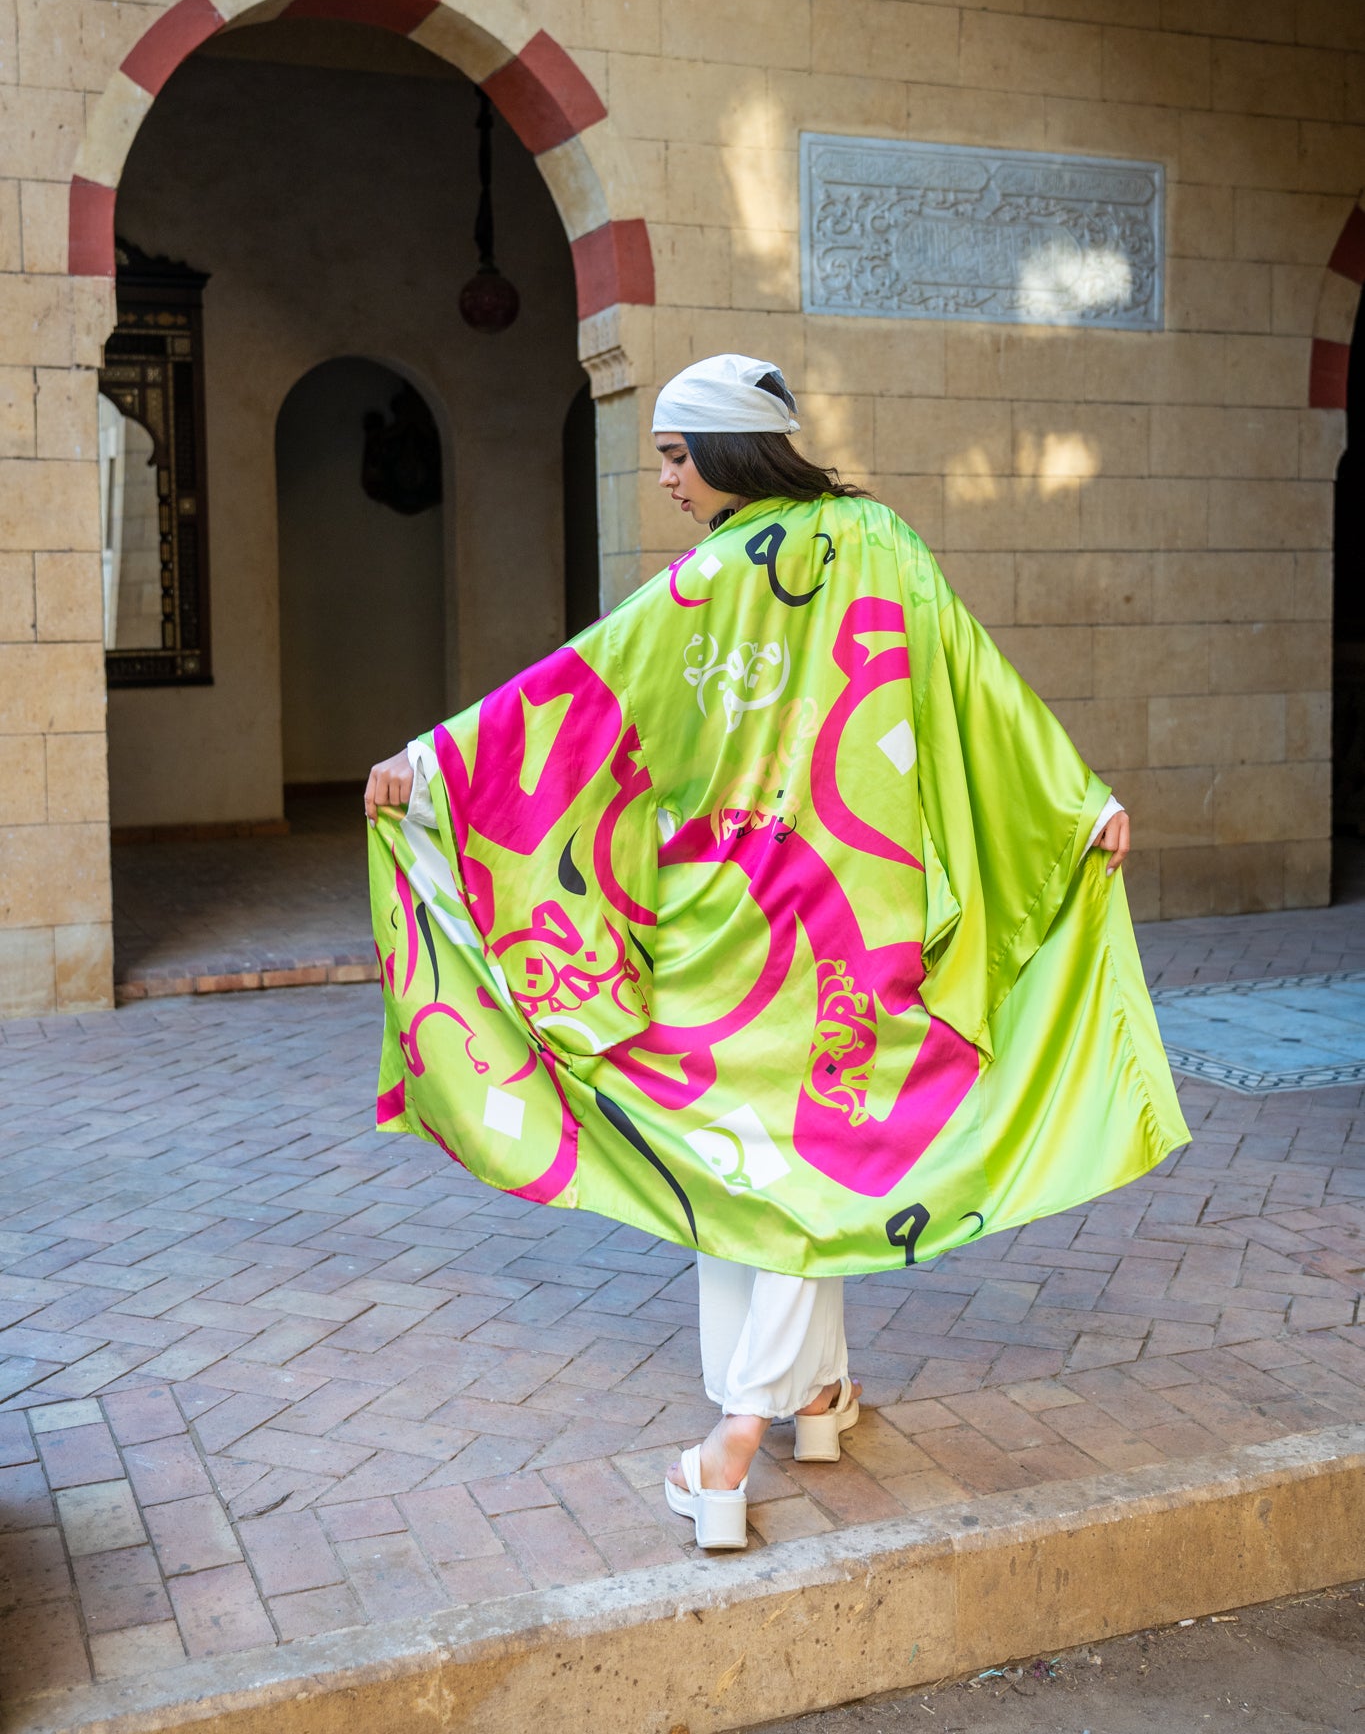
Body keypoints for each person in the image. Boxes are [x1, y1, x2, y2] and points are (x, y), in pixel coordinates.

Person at [364, 353, 1186, 1553]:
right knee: (812, 1161)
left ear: (732, 452)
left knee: (750, 1166)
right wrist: (1073, 801)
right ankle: (811, 1396)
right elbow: (973, 680)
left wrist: (434, 766)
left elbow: (584, 693)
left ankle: (729, 1443)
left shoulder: (711, 578)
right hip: (853, 920)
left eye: (674, 455)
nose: (663, 480)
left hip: (725, 928)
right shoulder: (876, 540)